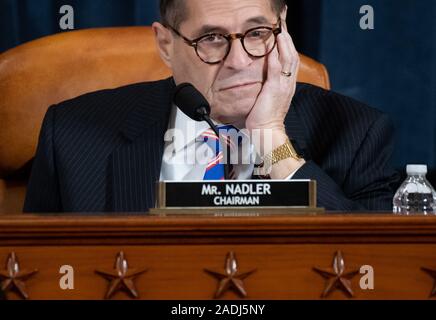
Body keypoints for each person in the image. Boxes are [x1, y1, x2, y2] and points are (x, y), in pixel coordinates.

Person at [23, 0, 399, 213]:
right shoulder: (72, 136)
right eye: (213, 38)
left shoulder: (357, 134)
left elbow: (368, 270)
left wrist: (271, 139)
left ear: (283, 29)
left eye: (257, 33)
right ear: (166, 45)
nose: (238, 61)